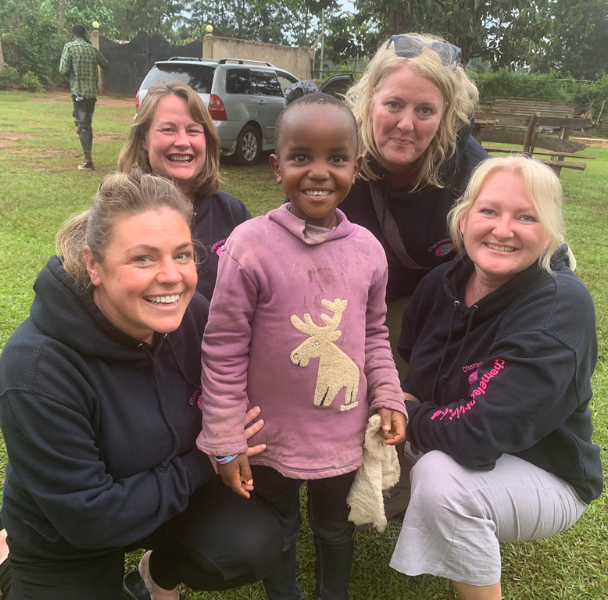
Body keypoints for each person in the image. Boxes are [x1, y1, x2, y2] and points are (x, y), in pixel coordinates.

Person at [0, 170, 281, 600]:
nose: (171, 277)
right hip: (67, 533)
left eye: (182, 255)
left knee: (251, 541)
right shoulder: (35, 370)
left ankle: (154, 576)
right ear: (94, 265)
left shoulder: (194, 315)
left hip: (161, 498)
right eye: (143, 259)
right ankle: (7, 554)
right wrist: (205, 459)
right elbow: (90, 519)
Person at [195, 93, 408, 600]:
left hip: (342, 434)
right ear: (276, 165)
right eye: (300, 157)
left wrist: (389, 394)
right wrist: (225, 436)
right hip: (270, 441)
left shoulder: (368, 252)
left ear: (356, 167)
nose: (319, 172)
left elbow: (374, 335)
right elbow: (222, 348)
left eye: (336, 159)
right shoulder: (249, 245)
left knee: (335, 529)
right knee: (282, 528)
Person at [390, 156, 603, 600]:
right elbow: (408, 360)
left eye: (526, 217)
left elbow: (478, 433)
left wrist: (406, 412)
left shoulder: (558, 307)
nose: (503, 230)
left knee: (441, 478)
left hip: (545, 473)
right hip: (449, 436)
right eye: (489, 211)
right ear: (464, 219)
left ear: (548, 232)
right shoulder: (440, 283)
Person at [340, 33, 489, 376]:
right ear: (372, 97)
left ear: (445, 113)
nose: (405, 125)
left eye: (425, 110)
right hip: (341, 302)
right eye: (394, 105)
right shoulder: (336, 149)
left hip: (432, 308)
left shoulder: (468, 169)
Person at [117, 80, 251, 301]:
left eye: (193, 130)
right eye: (168, 130)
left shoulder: (233, 213)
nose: (182, 142)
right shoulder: (119, 213)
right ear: (144, 139)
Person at [59, 24, 109, 170]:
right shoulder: (92, 49)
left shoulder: (69, 47)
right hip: (91, 94)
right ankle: (87, 156)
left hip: (78, 93)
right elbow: (105, 64)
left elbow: (62, 69)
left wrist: (73, 71)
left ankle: (88, 161)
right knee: (88, 124)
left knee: (82, 126)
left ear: (73, 35)